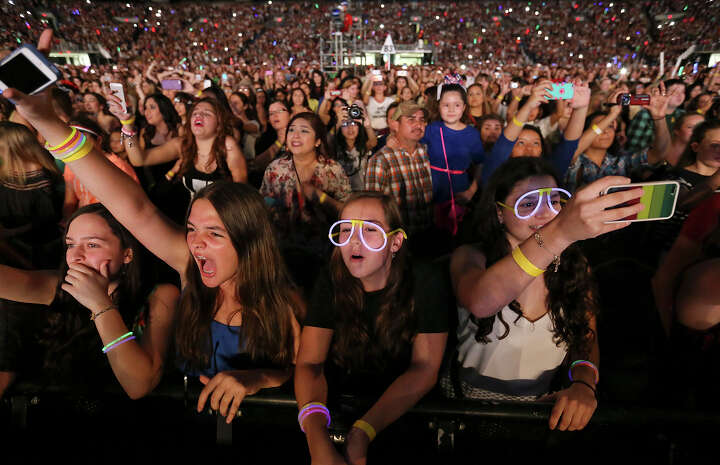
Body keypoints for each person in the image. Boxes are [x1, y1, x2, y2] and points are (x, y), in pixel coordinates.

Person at [5, 85, 301, 425]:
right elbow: (134, 206)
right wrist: (47, 122)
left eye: (214, 233)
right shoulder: (191, 268)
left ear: (248, 238)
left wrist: (260, 378)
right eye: (191, 229)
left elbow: (309, 370)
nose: (196, 243)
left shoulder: (285, 298)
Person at [448, 157, 645, 430]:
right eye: (528, 203)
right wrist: (560, 231)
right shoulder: (471, 256)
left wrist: (583, 383)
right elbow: (482, 302)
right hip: (467, 411)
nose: (544, 213)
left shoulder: (575, 265)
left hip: (543, 412)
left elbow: (585, 336)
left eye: (554, 201)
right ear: (499, 213)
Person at [295, 192, 448, 464]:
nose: (354, 240)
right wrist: (317, 440)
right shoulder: (331, 279)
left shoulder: (425, 280)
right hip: (339, 410)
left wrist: (364, 431)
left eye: (370, 229)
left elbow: (425, 368)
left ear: (395, 242)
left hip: (406, 416)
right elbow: (309, 362)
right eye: (346, 229)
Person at [0, 204, 179, 400]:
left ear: (127, 253)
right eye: (70, 244)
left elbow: (138, 386)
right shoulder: (61, 287)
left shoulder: (161, 295)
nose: (75, 257)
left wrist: (100, 305)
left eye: (92, 245)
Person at [260, 112, 351, 271]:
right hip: (282, 250)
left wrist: (321, 197)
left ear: (317, 141)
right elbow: (261, 208)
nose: (295, 136)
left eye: (304, 131)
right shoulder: (275, 168)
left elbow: (348, 213)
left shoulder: (332, 170)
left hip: (323, 251)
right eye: (292, 130)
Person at [110, 96, 248, 199]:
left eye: (207, 113)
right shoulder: (182, 145)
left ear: (219, 123)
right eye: (195, 112)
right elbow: (138, 159)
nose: (198, 115)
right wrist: (127, 126)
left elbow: (241, 191)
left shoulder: (227, 145)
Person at [565, 85, 676, 192]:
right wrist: (612, 115)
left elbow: (660, 153)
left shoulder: (620, 162)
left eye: (610, 126)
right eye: (601, 125)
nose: (606, 131)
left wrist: (659, 118)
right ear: (586, 132)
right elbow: (571, 152)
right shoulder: (575, 161)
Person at [365, 102, 434, 248]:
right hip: (400, 242)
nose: (418, 124)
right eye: (411, 119)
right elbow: (374, 210)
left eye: (422, 120)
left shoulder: (427, 152)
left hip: (430, 235)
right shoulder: (380, 161)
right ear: (394, 125)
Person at [422, 84, 484, 236]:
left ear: (463, 107)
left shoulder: (472, 134)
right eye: (446, 105)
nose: (451, 110)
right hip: (431, 191)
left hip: (459, 191)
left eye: (456, 105)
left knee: (457, 233)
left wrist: (471, 191)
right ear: (439, 107)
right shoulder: (431, 129)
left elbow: (480, 164)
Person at [0, 121, 63, 269]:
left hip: (33, 250)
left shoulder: (41, 178)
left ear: (10, 147)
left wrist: (8, 233)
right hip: (12, 241)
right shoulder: (8, 169)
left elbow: (45, 223)